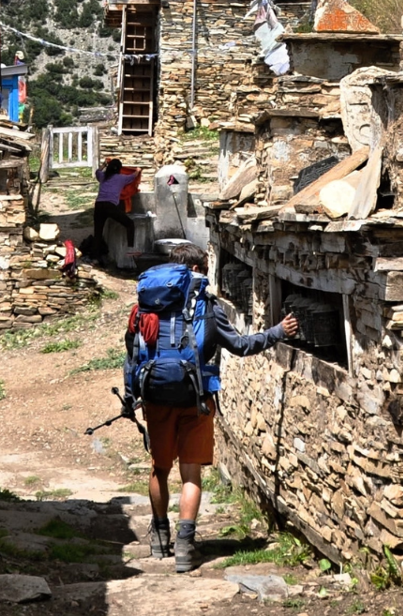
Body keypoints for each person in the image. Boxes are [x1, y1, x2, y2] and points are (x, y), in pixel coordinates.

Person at [125, 241, 299, 572]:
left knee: (158, 468)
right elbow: (241, 345)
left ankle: (159, 538)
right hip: (197, 398)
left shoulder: (146, 304)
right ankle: (186, 549)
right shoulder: (206, 305)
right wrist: (278, 332)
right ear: (200, 269)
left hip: (155, 398)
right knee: (190, 473)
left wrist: (134, 396)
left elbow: (132, 353)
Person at [92, 157, 136, 255]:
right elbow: (133, 176)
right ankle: (130, 249)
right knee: (130, 224)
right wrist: (138, 170)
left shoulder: (103, 176)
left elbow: (97, 171)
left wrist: (104, 164)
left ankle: (94, 257)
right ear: (120, 169)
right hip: (110, 206)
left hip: (98, 205)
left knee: (98, 233)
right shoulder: (122, 178)